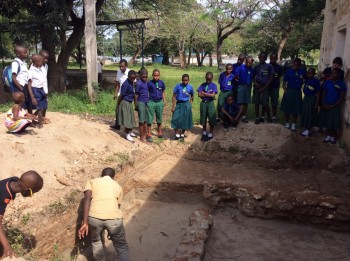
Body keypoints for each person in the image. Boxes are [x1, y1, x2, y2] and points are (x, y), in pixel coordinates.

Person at [78, 167, 128, 261]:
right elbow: (117, 207)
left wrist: (85, 222)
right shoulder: (117, 186)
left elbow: (87, 199)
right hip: (113, 219)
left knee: (96, 241)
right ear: (113, 177)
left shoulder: (92, 182)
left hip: (94, 218)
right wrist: (111, 229)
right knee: (121, 246)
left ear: (101, 175)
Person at [0, 171, 43, 258]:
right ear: (27, 190)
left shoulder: (14, 180)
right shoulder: (4, 195)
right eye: (32, 193)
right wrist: (7, 247)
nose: (31, 195)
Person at [319, 68, 347, 144]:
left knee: (334, 122)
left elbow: (342, 97)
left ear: (338, 74)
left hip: (335, 106)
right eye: (331, 73)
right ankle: (328, 136)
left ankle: (333, 136)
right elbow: (323, 93)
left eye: (334, 73)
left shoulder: (341, 84)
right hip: (326, 105)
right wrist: (323, 103)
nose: (332, 75)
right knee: (327, 121)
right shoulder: (327, 82)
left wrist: (334, 105)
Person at [281, 58, 306, 131]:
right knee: (287, 107)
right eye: (294, 63)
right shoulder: (289, 71)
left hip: (297, 91)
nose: (296, 65)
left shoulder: (302, 72)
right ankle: (287, 123)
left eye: (297, 64)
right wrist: (285, 90)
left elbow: (307, 79)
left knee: (296, 108)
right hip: (289, 90)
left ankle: (294, 124)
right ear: (293, 64)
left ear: (299, 64)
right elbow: (284, 82)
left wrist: (302, 83)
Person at [252, 52, 274, 124]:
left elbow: (271, 78)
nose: (261, 58)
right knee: (256, 102)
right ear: (258, 57)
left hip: (265, 87)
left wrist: (264, 87)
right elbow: (253, 76)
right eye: (260, 57)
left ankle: (268, 117)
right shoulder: (256, 66)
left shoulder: (269, 66)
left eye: (263, 57)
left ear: (265, 58)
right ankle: (257, 117)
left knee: (265, 102)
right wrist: (255, 83)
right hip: (257, 86)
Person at [171, 74, 194, 141]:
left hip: (186, 104)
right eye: (183, 80)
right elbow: (174, 96)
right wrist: (173, 106)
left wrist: (190, 104)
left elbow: (192, 96)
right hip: (179, 103)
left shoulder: (190, 87)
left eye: (186, 80)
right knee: (175, 118)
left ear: (188, 80)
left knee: (185, 119)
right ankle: (177, 134)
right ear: (182, 80)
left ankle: (182, 134)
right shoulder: (178, 86)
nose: (185, 82)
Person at [27, 54, 47, 129]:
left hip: (41, 90)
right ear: (37, 61)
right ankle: (40, 124)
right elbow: (29, 85)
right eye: (42, 61)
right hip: (35, 90)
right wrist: (32, 97)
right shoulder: (31, 71)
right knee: (40, 108)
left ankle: (32, 117)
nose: (43, 62)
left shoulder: (40, 69)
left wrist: (45, 91)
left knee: (44, 106)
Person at [197, 72, 218, 141]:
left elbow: (213, 95)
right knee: (203, 117)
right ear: (205, 78)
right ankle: (204, 131)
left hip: (210, 103)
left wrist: (204, 93)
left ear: (212, 78)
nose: (208, 81)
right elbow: (199, 95)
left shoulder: (214, 85)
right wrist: (208, 94)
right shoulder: (202, 85)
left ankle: (210, 133)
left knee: (211, 117)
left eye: (210, 79)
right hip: (203, 103)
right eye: (207, 79)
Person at [300, 68, 320, 137]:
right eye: (308, 73)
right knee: (305, 112)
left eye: (311, 73)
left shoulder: (316, 81)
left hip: (312, 98)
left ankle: (308, 130)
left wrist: (317, 103)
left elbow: (318, 92)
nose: (309, 75)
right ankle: (305, 129)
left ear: (314, 74)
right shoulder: (307, 80)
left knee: (309, 114)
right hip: (306, 98)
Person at [146, 69, 166, 142]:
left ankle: (160, 132)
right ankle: (149, 133)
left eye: (157, 75)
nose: (156, 77)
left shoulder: (161, 83)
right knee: (150, 118)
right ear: (152, 75)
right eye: (155, 75)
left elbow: (163, 91)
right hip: (151, 102)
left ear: (159, 75)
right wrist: (147, 101)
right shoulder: (149, 83)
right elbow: (146, 92)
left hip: (159, 102)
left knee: (159, 117)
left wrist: (164, 100)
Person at [117, 70, 137, 143]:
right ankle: (127, 134)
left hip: (129, 103)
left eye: (134, 78)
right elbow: (121, 95)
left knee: (131, 118)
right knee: (127, 119)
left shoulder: (132, 83)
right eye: (132, 78)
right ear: (128, 76)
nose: (133, 79)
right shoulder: (126, 84)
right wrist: (118, 105)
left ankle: (130, 131)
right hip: (125, 102)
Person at [111, 59, 130, 130]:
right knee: (117, 109)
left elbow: (134, 84)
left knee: (125, 111)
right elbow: (118, 83)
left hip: (127, 95)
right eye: (120, 66)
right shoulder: (119, 72)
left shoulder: (129, 72)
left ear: (126, 66)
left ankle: (127, 127)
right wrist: (115, 93)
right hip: (120, 94)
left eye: (122, 66)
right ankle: (117, 124)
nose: (121, 68)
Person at [235, 56, 254, 123]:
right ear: (245, 61)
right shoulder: (241, 68)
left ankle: (244, 116)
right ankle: (238, 116)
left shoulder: (252, 69)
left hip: (248, 87)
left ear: (252, 62)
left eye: (250, 62)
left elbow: (253, 77)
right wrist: (239, 82)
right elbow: (236, 76)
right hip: (241, 86)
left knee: (246, 102)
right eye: (247, 62)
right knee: (240, 102)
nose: (248, 63)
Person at [268, 53, 283, 122]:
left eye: (274, 58)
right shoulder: (266, 66)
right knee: (264, 102)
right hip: (266, 87)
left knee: (274, 102)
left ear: (277, 59)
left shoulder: (279, 68)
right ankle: (265, 116)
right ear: (270, 58)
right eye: (272, 58)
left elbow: (279, 76)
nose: (273, 59)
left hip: (275, 87)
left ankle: (274, 116)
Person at [135, 68, 149, 143]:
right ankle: (141, 136)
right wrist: (136, 104)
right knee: (141, 121)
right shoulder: (139, 83)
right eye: (143, 77)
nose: (145, 78)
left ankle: (145, 134)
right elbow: (136, 94)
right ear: (140, 76)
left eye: (146, 77)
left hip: (146, 102)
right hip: (141, 102)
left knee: (145, 120)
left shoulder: (147, 82)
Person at [38, 49, 50, 124]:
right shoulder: (34, 66)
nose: (46, 60)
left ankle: (43, 117)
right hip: (37, 87)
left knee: (45, 102)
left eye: (47, 58)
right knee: (39, 105)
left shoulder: (46, 66)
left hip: (44, 87)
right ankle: (38, 118)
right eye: (44, 58)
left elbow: (45, 77)